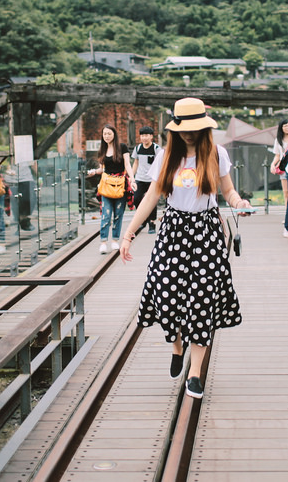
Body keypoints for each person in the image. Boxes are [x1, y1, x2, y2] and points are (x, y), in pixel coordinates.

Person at [120, 97, 251, 399]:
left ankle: (195, 373)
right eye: (184, 128)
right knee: (164, 293)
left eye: (194, 128)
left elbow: (228, 191)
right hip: (173, 231)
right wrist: (129, 233)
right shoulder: (167, 156)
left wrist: (239, 203)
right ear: (176, 128)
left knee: (203, 300)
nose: (189, 133)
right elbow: (152, 196)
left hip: (206, 232)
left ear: (204, 127)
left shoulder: (217, 153)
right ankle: (177, 348)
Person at [87, 123, 134, 253]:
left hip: (120, 185)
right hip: (106, 185)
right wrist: (93, 172)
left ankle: (115, 240)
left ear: (114, 134)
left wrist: (132, 178)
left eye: (109, 133)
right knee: (106, 215)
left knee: (118, 214)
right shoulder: (102, 149)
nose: (107, 136)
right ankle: (103, 242)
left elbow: (127, 165)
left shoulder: (122, 147)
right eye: (105, 134)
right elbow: (102, 169)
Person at [130, 125, 163, 235]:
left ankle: (152, 223)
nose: (144, 138)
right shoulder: (138, 148)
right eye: (142, 135)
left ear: (151, 137)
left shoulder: (156, 149)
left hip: (152, 180)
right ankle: (143, 219)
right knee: (136, 198)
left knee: (152, 202)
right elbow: (135, 163)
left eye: (146, 135)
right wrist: (132, 177)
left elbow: (161, 163)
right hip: (140, 178)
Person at [268, 118, 288, 205]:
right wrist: (273, 164)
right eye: (285, 126)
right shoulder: (278, 140)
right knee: (286, 192)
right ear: (281, 127)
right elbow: (277, 155)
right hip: (284, 168)